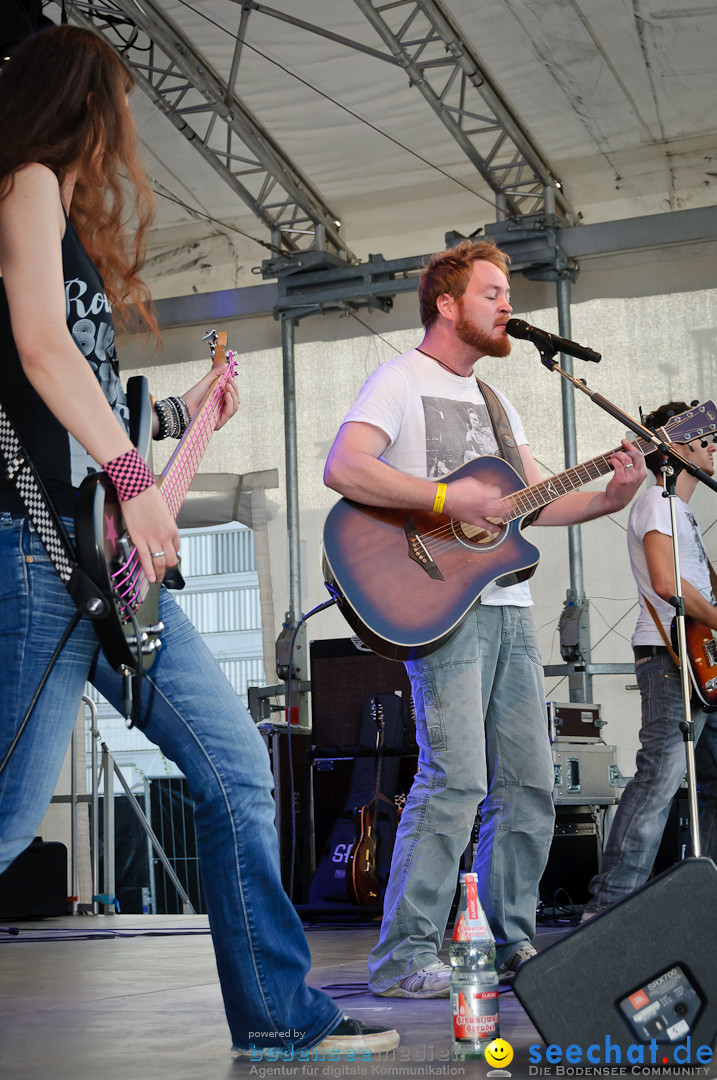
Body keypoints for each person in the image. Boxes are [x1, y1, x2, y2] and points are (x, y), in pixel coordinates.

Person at [0, 25, 398, 1057]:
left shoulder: (60, 222)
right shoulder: (24, 183)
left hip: (96, 566)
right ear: (82, 101)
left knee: (236, 774)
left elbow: (86, 401)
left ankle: (278, 1018)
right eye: (118, 107)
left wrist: (185, 413)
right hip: (37, 555)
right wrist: (135, 480)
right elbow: (40, 351)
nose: (124, 134)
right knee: (5, 821)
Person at [324, 238, 646, 997]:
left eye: (508, 294)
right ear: (447, 303)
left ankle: (510, 943)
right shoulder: (399, 380)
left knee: (529, 785)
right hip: (434, 602)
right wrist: (444, 500)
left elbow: (532, 500)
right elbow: (344, 467)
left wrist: (610, 496)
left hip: (502, 603)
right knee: (455, 780)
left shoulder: (498, 405)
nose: (509, 305)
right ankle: (403, 958)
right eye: (493, 292)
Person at [582, 401, 717, 918]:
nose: (712, 448)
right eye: (705, 439)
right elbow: (666, 584)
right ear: (677, 445)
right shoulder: (658, 503)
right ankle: (608, 910)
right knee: (657, 780)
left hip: (695, 660)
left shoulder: (679, 510)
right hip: (670, 657)